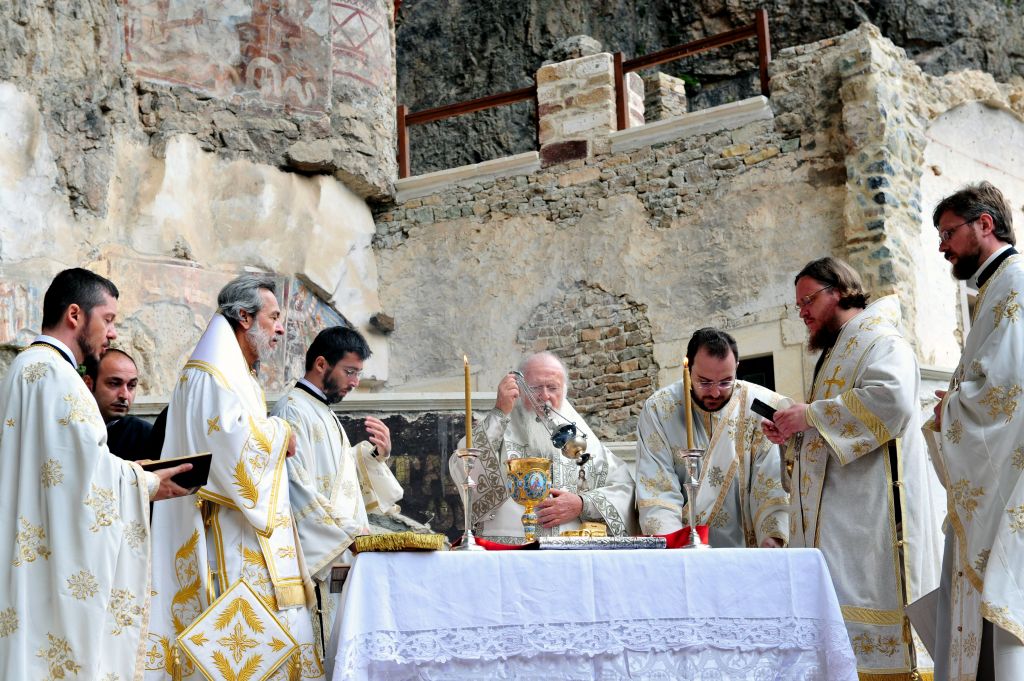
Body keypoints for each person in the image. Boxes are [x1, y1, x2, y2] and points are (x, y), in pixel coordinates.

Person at [0, 268, 190, 680]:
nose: (113, 333)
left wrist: (128, 472)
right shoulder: (59, 377)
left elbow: (66, 469)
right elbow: (82, 480)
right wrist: (147, 482)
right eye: (108, 319)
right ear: (75, 315)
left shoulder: (24, 367)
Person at [762, 257, 944, 679]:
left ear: (839, 291)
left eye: (808, 300)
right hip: (838, 531)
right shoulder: (838, 350)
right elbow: (829, 426)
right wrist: (797, 428)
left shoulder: (881, 341)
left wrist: (811, 417)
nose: (803, 312)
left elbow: (893, 401)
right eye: (799, 305)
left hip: (871, 525)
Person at [145, 274, 324, 681]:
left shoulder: (233, 369)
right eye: (274, 317)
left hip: (242, 534)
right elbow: (230, 448)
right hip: (228, 542)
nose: (281, 327)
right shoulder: (213, 373)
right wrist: (281, 433)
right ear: (244, 317)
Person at [928, 182, 1024, 680]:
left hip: (1006, 488)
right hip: (989, 483)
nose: (942, 245)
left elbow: (1012, 388)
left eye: (948, 232)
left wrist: (953, 411)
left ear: (984, 224)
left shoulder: (1014, 283)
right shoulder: (994, 287)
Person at [270, 325, 402, 660]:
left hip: (341, 551)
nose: (355, 382)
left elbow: (335, 478)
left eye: (358, 373)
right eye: (350, 371)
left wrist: (372, 457)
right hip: (320, 557)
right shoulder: (292, 410)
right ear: (320, 364)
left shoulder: (322, 410)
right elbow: (294, 486)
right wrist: (347, 534)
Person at [450, 351, 636, 542]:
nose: (544, 396)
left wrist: (583, 503)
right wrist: (499, 411)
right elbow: (465, 465)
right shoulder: (500, 426)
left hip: (570, 554)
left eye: (553, 388)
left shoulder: (580, 437)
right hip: (507, 551)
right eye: (536, 387)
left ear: (563, 391)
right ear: (519, 389)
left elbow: (625, 488)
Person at [635, 327, 789, 548]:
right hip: (685, 550)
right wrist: (675, 552)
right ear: (688, 371)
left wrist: (772, 536)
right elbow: (658, 490)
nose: (715, 393)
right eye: (705, 382)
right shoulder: (660, 409)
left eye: (726, 382)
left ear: (737, 368)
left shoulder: (761, 407)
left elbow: (770, 484)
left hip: (748, 550)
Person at [83, 348, 157, 461]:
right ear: (89, 383)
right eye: (114, 384)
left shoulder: (147, 435)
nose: (124, 395)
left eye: (131, 385)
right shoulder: (71, 428)